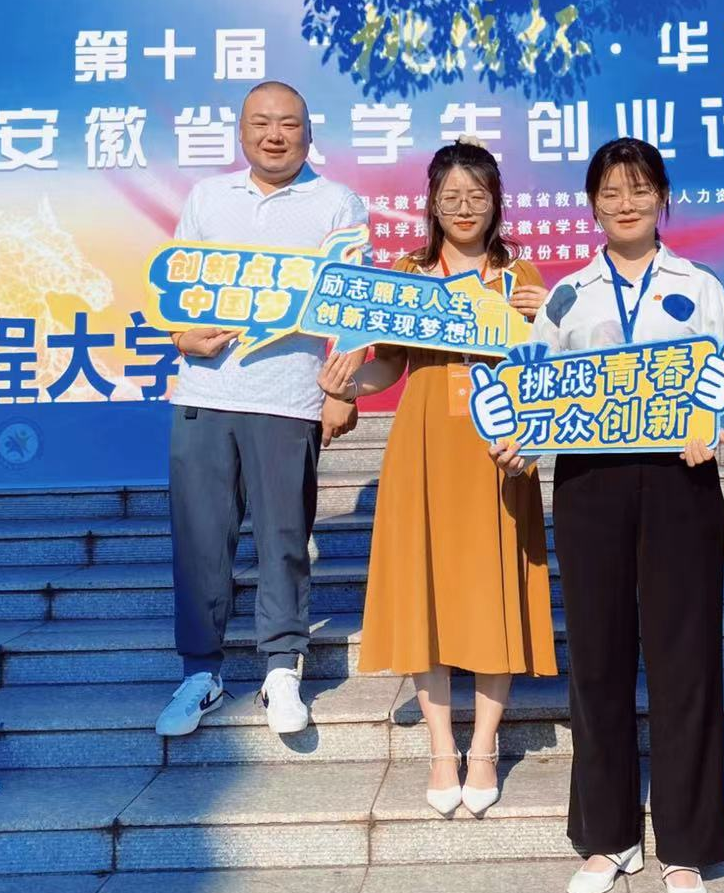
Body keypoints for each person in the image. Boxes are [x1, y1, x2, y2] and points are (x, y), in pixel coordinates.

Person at [477, 137, 724, 893]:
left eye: (639, 189)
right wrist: (516, 440)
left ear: (663, 197)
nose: (625, 204)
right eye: (610, 192)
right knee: (596, 658)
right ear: (592, 205)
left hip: (679, 481)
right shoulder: (568, 295)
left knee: (684, 662)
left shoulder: (699, 286)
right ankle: (608, 836)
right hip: (590, 484)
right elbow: (533, 383)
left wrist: (711, 420)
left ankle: (686, 848)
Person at [316, 140, 557, 817]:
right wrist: (347, 383)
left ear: (497, 202)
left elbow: (552, 370)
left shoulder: (521, 277)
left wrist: (549, 322)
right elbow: (389, 367)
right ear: (431, 203)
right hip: (423, 449)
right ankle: (442, 748)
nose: (464, 208)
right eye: (451, 196)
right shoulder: (411, 274)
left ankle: (484, 748)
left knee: (495, 593)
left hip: (500, 450)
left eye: (476, 195)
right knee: (424, 593)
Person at [155, 80, 368, 739]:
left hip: (288, 399)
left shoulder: (337, 202)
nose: (275, 135)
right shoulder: (208, 197)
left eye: (288, 123)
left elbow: (356, 304)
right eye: (261, 122)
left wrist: (340, 390)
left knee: (284, 539)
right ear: (241, 131)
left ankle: (282, 669)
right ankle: (201, 673)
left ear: (309, 133)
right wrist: (181, 338)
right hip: (205, 395)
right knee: (200, 541)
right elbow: (177, 288)